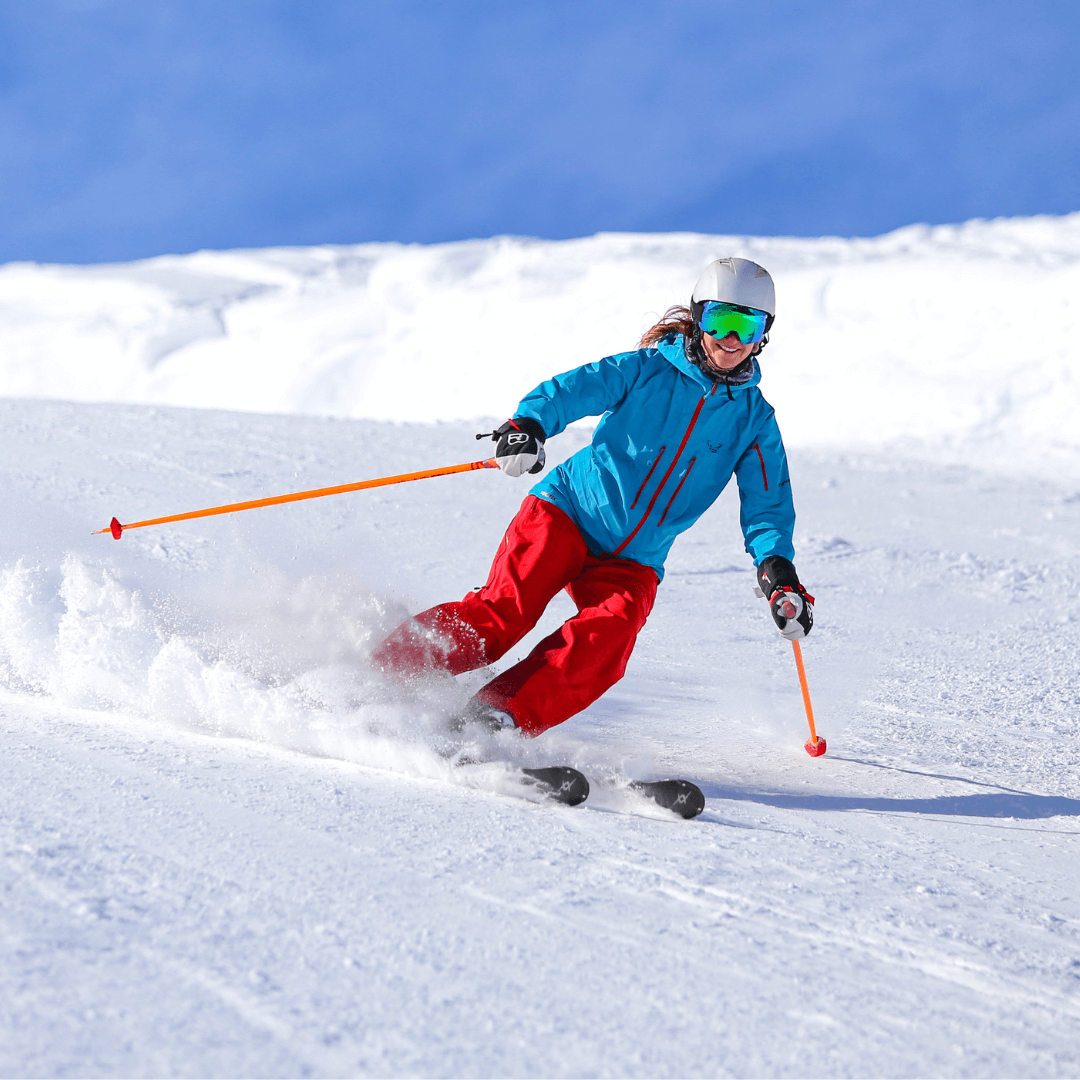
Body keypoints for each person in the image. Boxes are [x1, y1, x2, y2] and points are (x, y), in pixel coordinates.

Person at [372, 257, 814, 736]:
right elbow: (573, 390)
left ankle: (492, 721)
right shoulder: (646, 370)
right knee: (503, 615)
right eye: (720, 321)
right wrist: (529, 425)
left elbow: (766, 503)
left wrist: (777, 571)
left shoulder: (754, 420)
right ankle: (379, 670)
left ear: (763, 334)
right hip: (568, 512)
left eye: (746, 326)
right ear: (697, 317)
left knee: (609, 638)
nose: (731, 340)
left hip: (635, 558)